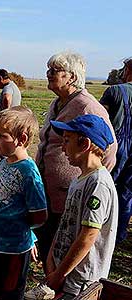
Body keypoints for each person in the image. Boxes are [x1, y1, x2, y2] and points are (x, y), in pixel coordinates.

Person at [34, 52, 117, 269]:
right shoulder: (58, 103)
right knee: (49, 245)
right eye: (48, 69)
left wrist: (88, 179)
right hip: (51, 191)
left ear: (72, 77)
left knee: (63, 246)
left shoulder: (87, 106)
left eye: (55, 70)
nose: (49, 74)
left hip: (70, 194)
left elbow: (109, 149)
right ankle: (51, 282)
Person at [34, 115, 117, 300]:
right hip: (64, 276)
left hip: (80, 282)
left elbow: (88, 235)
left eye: (66, 140)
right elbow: (66, 222)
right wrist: (50, 259)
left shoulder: (98, 184)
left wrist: (59, 274)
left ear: (85, 144)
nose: (62, 147)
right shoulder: (78, 180)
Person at [0, 106, 48, 300]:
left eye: (2, 136)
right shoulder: (5, 161)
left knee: (9, 295)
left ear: (23, 139)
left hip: (13, 250)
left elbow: (39, 214)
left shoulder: (28, 172)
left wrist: (27, 234)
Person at [99, 57, 132, 243]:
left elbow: (101, 119)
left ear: (127, 70)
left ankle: (100, 229)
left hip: (117, 145)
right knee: (127, 193)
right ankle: (119, 234)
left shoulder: (114, 91)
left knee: (105, 187)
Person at [0, 69, 22, 161]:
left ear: (1, 78)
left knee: (0, 144)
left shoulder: (7, 87)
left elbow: (7, 98)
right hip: (11, 122)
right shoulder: (14, 86)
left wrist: (5, 115)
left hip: (5, 123)